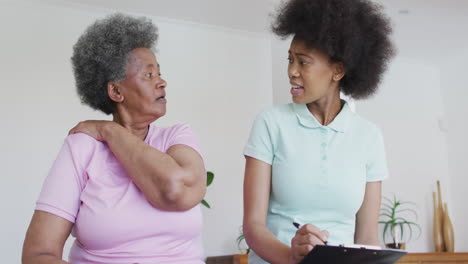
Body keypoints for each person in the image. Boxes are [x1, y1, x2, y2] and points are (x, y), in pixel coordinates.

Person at [22, 13, 206, 264]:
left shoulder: (177, 137)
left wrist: (109, 131)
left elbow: (177, 190)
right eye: (149, 75)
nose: (162, 82)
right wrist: (108, 132)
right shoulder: (81, 147)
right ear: (116, 91)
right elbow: (38, 255)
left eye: (160, 74)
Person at [242, 0, 395, 263]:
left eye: (303, 62)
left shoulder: (369, 137)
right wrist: (293, 257)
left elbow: (368, 235)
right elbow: (253, 227)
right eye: (290, 60)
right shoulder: (270, 123)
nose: (291, 71)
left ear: (338, 71)